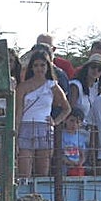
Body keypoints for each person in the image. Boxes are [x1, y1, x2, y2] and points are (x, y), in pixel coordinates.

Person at [15, 45, 70, 178]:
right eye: (36, 65)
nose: (39, 68)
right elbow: (18, 112)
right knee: (24, 172)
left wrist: (55, 121)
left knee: (42, 172)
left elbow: (67, 108)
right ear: (31, 67)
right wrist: (15, 135)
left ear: (48, 67)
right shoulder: (23, 86)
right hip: (25, 127)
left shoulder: (52, 86)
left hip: (44, 128)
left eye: (42, 65)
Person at [60, 110, 87, 176]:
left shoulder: (81, 137)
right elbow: (60, 153)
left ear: (81, 124)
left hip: (77, 167)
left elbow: (83, 154)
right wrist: (70, 163)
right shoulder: (61, 136)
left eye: (77, 122)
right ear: (65, 120)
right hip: (64, 166)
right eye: (71, 121)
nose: (74, 124)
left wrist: (80, 163)